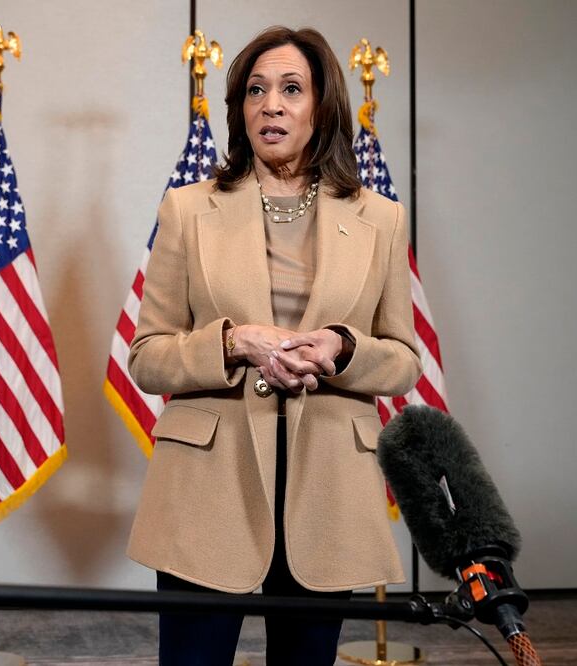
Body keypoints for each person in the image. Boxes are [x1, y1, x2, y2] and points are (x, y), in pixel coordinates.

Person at [126, 26, 422, 665]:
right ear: (239, 109)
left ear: (322, 107)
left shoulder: (380, 218)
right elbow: (147, 355)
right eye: (256, 91)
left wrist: (343, 348)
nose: (271, 105)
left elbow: (403, 360)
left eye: (291, 89)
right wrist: (233, 342)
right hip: (209, 483)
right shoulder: (187, 209)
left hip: (328, 486)